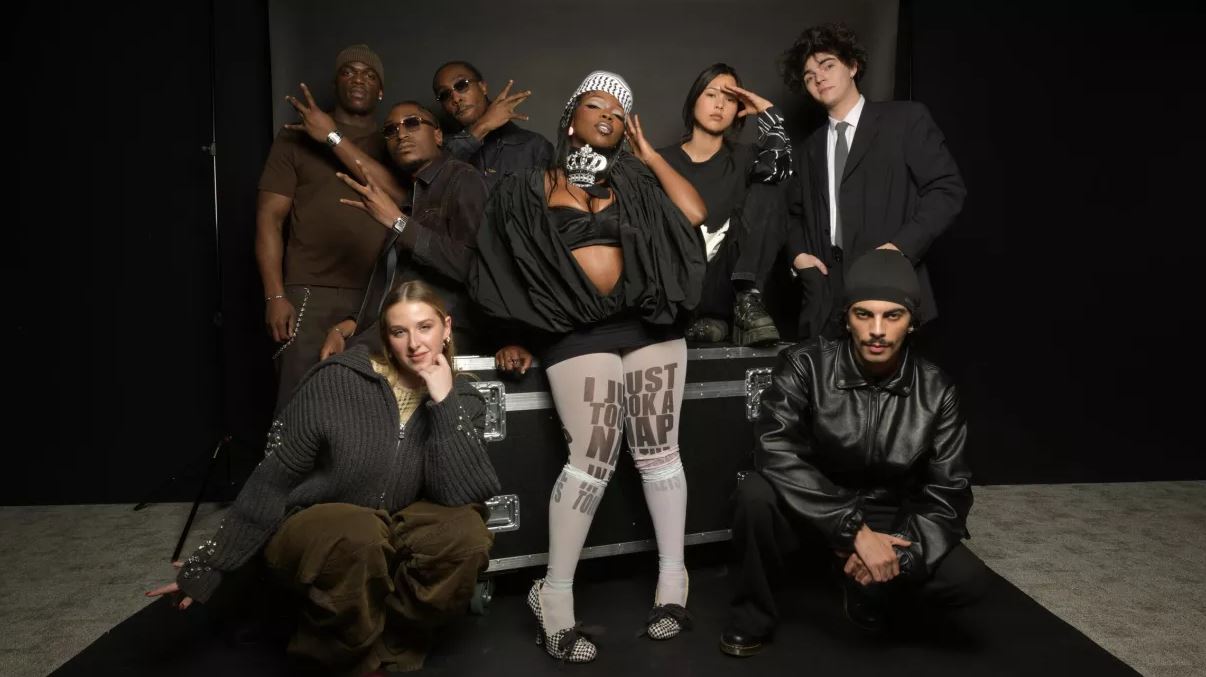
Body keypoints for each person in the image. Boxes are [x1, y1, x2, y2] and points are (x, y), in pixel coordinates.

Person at [469, 71, 708, 662]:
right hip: (576, 329)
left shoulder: (634, 178)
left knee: (660, 454)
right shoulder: (530, 185)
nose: (608, 116)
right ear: (572, 115)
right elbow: (498, 260)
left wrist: (651, 155)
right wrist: (512, 333)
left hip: (647, 322)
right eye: (597, 105)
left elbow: (693, 212)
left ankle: (673, 585)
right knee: (593, 460)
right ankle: (553, 598)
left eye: (620, 113)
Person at [146, 280, 501, 675]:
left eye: (425, 327)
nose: (415, 343)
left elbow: (460, 495)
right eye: (399, 331)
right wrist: (213, 563)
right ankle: (346, 658)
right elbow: (273, 478)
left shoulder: (464, 399)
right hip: (320, 524)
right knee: (359, 534)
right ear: (386, 337)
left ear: (446, 327)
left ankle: (393, 643)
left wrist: (444, 402)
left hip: (398, 523)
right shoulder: (336, 380)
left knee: (466, 535)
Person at [719, 250, 990, 657]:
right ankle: (753, 615)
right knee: (754, 494)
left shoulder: (936, 391)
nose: (877, 330)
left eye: (892, 316)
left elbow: (950, 491)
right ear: (847, 318)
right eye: (864, 315)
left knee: (967, 579)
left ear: (912, 322)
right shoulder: (806, 365)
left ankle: (868, 586)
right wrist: (853, 532)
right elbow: (774, 449)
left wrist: (899, 551)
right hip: (811, 508)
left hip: (886, 514)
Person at [781, 23, 966, 339]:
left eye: (827, 65)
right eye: (809, 76)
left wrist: (900, 249)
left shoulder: (906, 120)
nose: (818, 78)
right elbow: (792, 213)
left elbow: (947, 190)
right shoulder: (808, 148)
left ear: (853, 66)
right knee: (821, 371)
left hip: (891, 289)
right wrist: (799, 257)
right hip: (825, 300)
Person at [256, 44, 404, 411]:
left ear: (381, 91)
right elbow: (269, 218)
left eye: (369, 75)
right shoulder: (293, 139)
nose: (359, 80)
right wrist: (275, 295)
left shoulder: (395, 139)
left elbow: (401, 197)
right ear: (335, 83)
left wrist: (332, 136)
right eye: (348, 72)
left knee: (369, 412)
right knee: (300, 408)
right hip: (308, 292)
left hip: (377, 295)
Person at [325, 101, 489, 356]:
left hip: (438, 337)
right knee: (330, 370)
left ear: (437, 135)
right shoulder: (412, 196)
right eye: (391, 130)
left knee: (339, 372)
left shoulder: (462, 179)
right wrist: (349, 326)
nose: (400, 134)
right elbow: (395, 280)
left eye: (412, 123)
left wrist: (398, 222)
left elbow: (474, 267)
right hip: (389, 332)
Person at [659, 63, 793, 346]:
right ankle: (701, 321)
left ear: (738, 109)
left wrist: (767, 113)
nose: (719, 105)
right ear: (694, 100)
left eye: (730, 99)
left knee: (770, 185)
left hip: (726, 284)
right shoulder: (661, 161)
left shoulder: (745, 158)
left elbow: (781, 170)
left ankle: (745, 301)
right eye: (711, 95)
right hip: (673, 283)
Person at [432, 60, 554, 192]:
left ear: (483, 87)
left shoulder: (533, 147)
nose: (455, 99)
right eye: (444, 94)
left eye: (461, 85)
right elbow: (430, 183)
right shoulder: (439, 151)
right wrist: (483, 126)